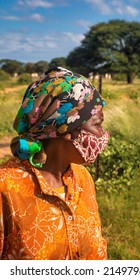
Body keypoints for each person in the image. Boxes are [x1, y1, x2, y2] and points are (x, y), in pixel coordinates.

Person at [0, 67, 110, 260]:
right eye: (97, 125)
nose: (103, 135)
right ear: (65, 130)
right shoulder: (6, 188)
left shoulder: (81, 177)